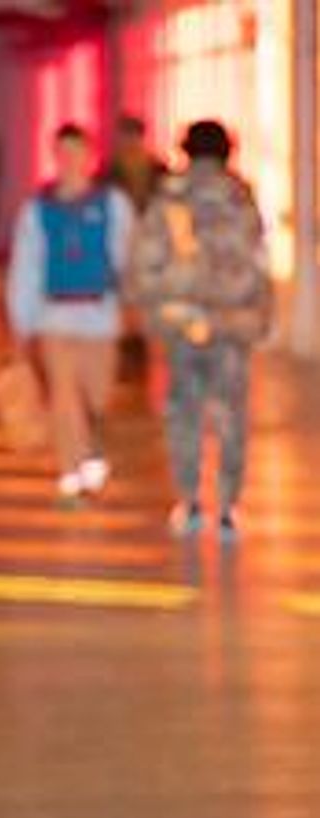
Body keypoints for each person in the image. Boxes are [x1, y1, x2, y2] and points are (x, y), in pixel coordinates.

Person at [128, 119, 273, 541]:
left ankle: (190, 503)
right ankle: (227, 509)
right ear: (228, 153)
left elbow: (143, 265)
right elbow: (259, 266)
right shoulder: (241, 200)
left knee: (184, 414)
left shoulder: (168, 199)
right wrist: (258, 317)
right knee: (230, 416)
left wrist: (155, 307)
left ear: (186, 152)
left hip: (182, 322)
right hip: (231, 325)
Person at [6, 122, 135, 501]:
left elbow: (127, 256)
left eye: (76, 153)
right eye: (62, 153)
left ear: (90, 157)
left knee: (96, 398)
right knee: (63, 395)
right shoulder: (37, 210)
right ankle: (70, 469)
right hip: (55, 316)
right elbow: (26, 267)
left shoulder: (113, 204)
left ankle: (91, 449)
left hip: (101, 315)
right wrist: (22, 323)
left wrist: (131, 303)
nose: (69, 161)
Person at [101, 114, 166, 379]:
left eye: (131, 135)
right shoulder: (110, 170)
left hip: (149, 236)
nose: (127, 141)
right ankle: (129, 344)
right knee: (124, 291)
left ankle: (138, 343)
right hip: (121, 236)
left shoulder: (157, 168)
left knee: (142, 291)